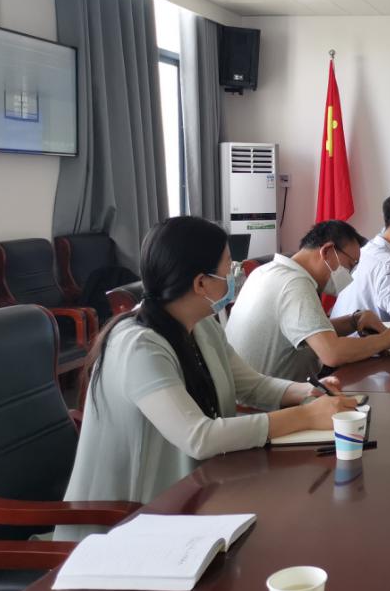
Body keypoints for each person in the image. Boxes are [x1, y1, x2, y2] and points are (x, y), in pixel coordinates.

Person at [60, 217, 360, 522]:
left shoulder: (201, 325)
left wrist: (308, 391)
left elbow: (251, 384)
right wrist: (305, 416)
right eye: (228, 267)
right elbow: (198, 436)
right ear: (200, 283)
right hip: (129, 518)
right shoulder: (138, 346)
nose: (235, 274)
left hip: (196, 490)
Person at [226, 219, 390, 382]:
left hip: (253, 393)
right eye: (351, 265)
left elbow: (310, 332)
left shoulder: (266, 271)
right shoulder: (295, 284)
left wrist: (355, 321)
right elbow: (332, 353)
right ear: (327, 251)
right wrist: (386, 339)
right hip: (270, 404)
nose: (350, 274)